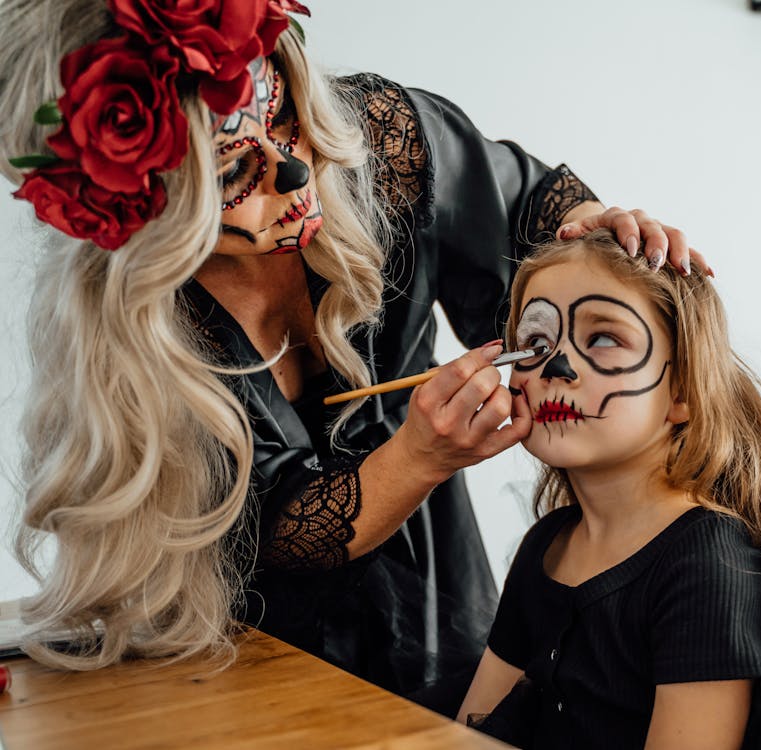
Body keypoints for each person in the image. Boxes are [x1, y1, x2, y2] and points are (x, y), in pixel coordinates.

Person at [0, 0, 705, 715]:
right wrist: (420, 456)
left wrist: (584, 238)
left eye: (287, 116)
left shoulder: (379, 141)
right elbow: (272, 531)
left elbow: (530, 223)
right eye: (235, 170)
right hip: (236, 651)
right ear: (144, 210)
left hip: (432, 586)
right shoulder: (137, 323)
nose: (296, 172)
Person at [456, 229, 761, 748]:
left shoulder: (704, 563)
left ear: (682, 391)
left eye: (604, 338)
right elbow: (469, 733)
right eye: (535, 344)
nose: (556, 367)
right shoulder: (545, 545)